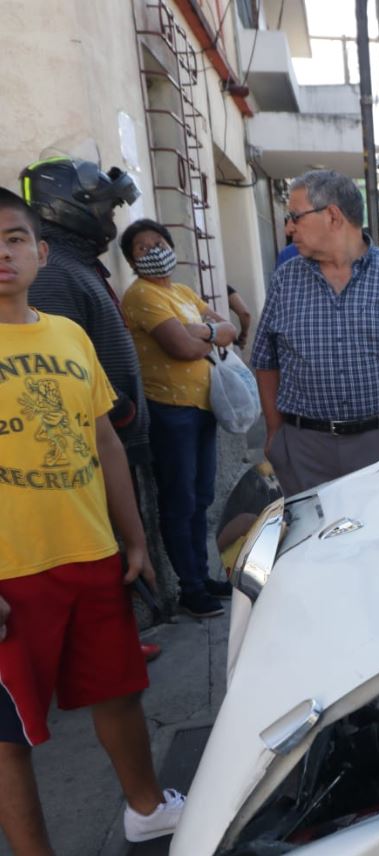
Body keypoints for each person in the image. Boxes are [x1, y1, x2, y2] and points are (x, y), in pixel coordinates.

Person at [0, 189, 186, 851]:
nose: (3, 253)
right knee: (10, 735)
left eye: (15, 238)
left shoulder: (68, 333)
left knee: (118, 692)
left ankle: (145, 807)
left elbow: (104, 439)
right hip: (11, 573)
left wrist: (133, 536)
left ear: (40, 252)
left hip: (90, 553)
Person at [20, 155, 162, 660]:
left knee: (127, 545)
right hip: (99, 442)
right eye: (103, 209)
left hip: (118, 436)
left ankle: (118, 637)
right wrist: (119, 413)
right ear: (70, 207)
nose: (110, 220)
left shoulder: (75, 262)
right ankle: (105, 645)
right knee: (108, 549)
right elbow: (59, 372)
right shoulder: (54, 270)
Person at [251, 169, 379, 496]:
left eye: (295, 217)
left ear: (333, 215)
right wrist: (275, 434)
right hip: (304, 451)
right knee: (312, 545)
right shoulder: (286, 280)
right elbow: (264, 360)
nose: (288, 228)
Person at [119, 218, 238, 619]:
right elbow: (182, 348)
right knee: (180, 500)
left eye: (158, 242)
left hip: (203, 409)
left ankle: (201, 578)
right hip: (169, 412)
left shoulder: (183, 291)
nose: (154, 251)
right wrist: (207, 331)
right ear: (132, 261)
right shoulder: (140, 296)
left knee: (201, 497)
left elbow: (231, 328)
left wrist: (198, 329)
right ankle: (189, 588)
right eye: (141, 248)